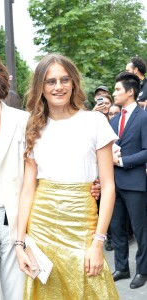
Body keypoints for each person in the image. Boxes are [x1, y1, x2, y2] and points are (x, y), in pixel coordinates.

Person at [0, 50, 101, 300]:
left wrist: (92, 183)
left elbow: (50, 162)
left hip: (18, 224)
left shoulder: (23, 120)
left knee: (19, 295)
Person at [16, 53, 119, 299]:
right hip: (42, 228)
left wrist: (98, 242)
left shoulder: (94, 122)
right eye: (50, 81)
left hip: (83, 226)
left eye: (64, 80)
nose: (58, 87)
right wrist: (19, 244)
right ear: (40, 86)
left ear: (73, 82)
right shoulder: (33, 127)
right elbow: (28, 190)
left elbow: (108, 186)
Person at [109, 71, 147, 289]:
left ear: (130, 92)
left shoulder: (143, 118)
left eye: (117, 90)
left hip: (134, 183)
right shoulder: (114, 120)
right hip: (114, 183)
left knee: (140, 229)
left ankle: (143, 270)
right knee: (116, 228)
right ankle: (122, 267)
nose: (114, 93)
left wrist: (122, 161)